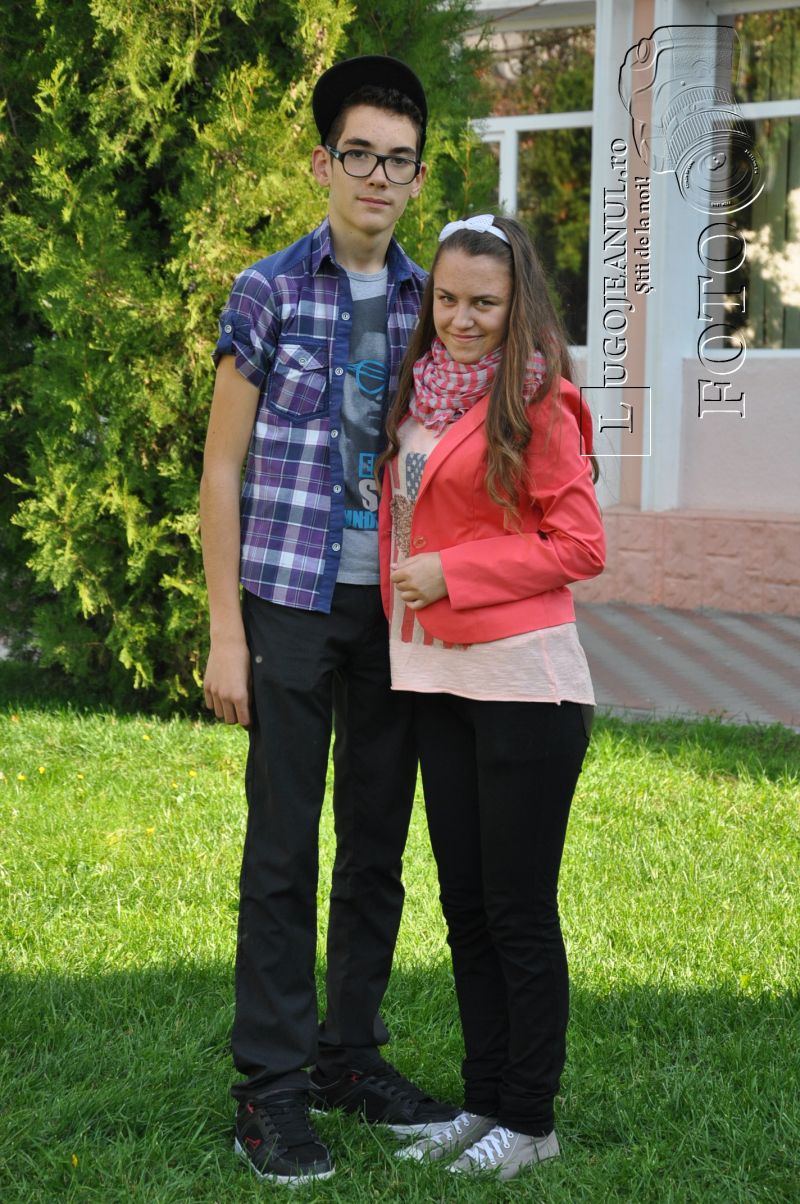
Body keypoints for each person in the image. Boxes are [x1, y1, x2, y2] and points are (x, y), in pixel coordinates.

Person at [199, 55, 457, 1187]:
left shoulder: (429, 303)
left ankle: (349, 1055)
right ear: (323, 162)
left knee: (376, 842)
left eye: (399, 160)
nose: (378, 177)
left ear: (417, 176)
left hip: (392, 610)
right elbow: (221, 467)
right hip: (289, 602)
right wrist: (227, 632)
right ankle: (269, 1087)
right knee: (282, 843)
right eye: (360, 154)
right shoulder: (266, 292)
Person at [377, 213, 605, 1180]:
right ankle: (483, 1103)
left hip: (523, 686)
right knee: (466, 907)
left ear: (519, 306)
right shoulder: (420, 393)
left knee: (517, 910)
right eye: (447, 299)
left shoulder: (540, 402)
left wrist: (453, 572)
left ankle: (532, 1120)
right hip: (436, 678)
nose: (462, 319)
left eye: (485, 302)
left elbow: (581, 544)